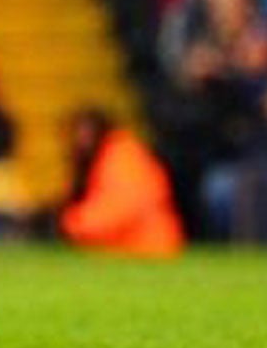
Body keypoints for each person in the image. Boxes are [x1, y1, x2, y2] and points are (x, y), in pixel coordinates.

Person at [58, 106, 184, 257]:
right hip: (136, 246)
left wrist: (75, 223)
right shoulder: (108, 158)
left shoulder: (122, 157)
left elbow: (123, 205)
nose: (80, 140)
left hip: (146, 247)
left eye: (85, 133)